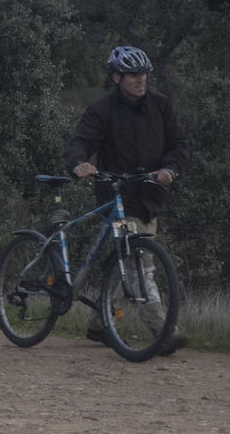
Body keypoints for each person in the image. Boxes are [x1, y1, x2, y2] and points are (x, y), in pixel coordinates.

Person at [65, 45, 191, 355]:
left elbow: (179, 145)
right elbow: (80, 141)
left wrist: (170, 169)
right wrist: (79, 163)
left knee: (126, 260)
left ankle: (99, 324)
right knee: (139, 264)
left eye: (144, 74)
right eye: (133, 74)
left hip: (150, 197)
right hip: (117, 197)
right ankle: (164, 331)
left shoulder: (161, 107)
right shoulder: (102, 109)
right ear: (117, 77)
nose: (141, 79)